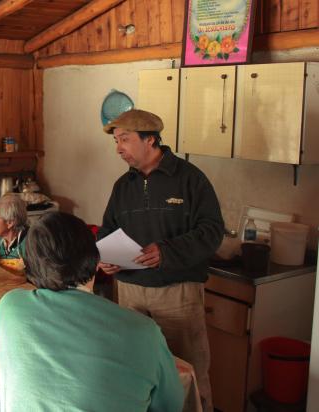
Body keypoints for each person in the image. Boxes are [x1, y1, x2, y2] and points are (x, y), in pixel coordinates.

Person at [97, 109, 224, 412]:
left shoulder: (190, 179)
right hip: (130, 292)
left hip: (176, 291)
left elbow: (212, 231)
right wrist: (104, 257)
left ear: (150, 139)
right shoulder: (123, 185)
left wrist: (167, 251)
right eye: (116, 141)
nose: (118, 149)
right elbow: (107, 229)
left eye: (124, 140)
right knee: (136, 368)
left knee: (188, 372)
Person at [0, 212, 183, 411]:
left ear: (28, 263)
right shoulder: (145, 331)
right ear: (95, 258)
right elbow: (171, 405)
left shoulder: (10, 306)